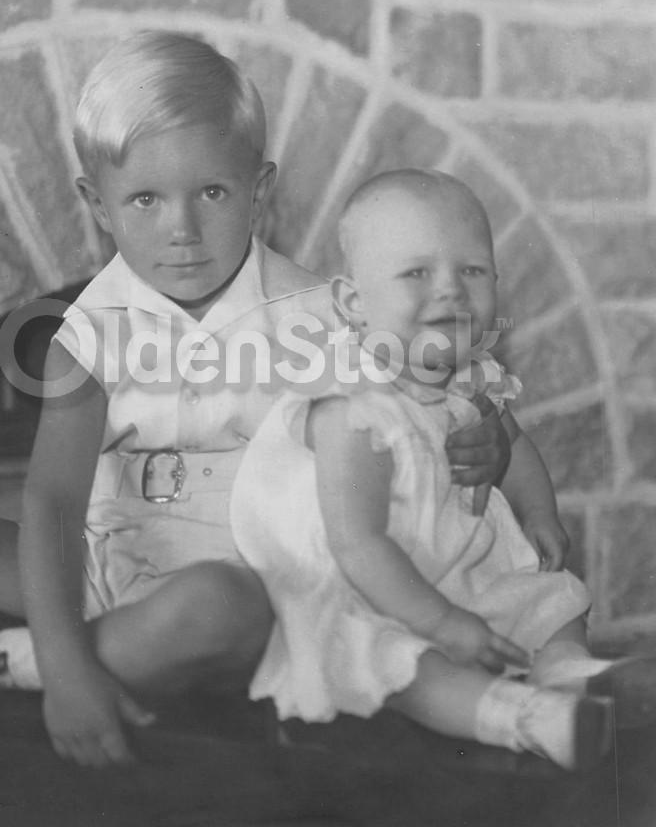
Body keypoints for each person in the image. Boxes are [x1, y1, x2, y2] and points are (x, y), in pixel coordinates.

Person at [0, 36, 509, 768]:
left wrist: (487, 442)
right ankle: (67, 657)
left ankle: (14, 669)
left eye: (212, 194)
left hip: (250, 587)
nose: (183, 231)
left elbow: (426, 413)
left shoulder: (326, 316)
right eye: (144, 199)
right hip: (103, 562)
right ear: (95, 204)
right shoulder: (86, 334)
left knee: (216, 608)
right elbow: (53, 503)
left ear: (258, 191)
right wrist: (71, 636)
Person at [230, 169, 656, 771]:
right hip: (358, 587)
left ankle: (566, 673)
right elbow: (356, 542)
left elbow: (515, 445)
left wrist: (540, 514)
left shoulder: (470, 377)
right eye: (417, 273)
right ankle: (523, 718)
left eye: (473, 271)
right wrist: (440, 622)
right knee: (397, 660)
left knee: (553, 598)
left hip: (450, 567)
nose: (452, 291)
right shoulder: (351, 404)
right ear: (354, 303)